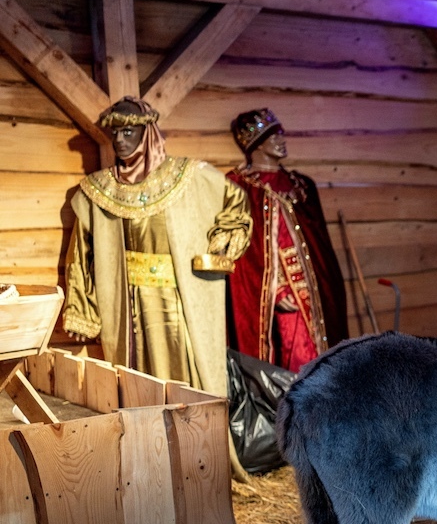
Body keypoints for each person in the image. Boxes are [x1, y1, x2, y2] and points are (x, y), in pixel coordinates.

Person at [64, 96, 251, 398]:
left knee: (186, 375)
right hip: (128, 303)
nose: (119, 141)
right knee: (138, 381)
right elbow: (80, 256)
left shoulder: (187, 175)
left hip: (177, 299)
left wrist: (224, 241)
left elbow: (235, 200)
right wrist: (84, 310)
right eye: (115, 133)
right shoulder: (98, 191)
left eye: (128, 132)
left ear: (147, 133)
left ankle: (195, 440)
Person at [226, 108, 348, 372]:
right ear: (255, 144)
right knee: (293, 355)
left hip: (314, 289)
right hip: (278, 293)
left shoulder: (301, 185)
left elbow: (320, 246)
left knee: (321, 350)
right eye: (273, 135)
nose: (281, 140)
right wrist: (275, 289)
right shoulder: (240, 186)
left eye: (281, 133)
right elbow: (242, 252)